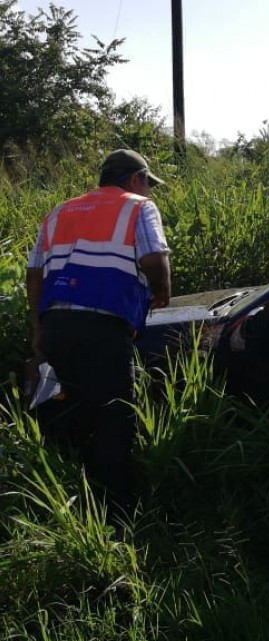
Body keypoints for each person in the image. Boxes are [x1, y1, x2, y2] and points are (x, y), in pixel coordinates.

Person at [25, 149, 172, 517]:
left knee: (62, 417)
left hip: (57, 328)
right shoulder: (138, 206)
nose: (149, 192)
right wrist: (162, 291)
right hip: (103, 330)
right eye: (148, 184)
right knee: (113, 420)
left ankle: (59, 505)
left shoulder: (61, 211)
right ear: (136, 179)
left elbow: (34, 272)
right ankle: (118, 518)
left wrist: (38, 329)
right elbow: (154, 258)